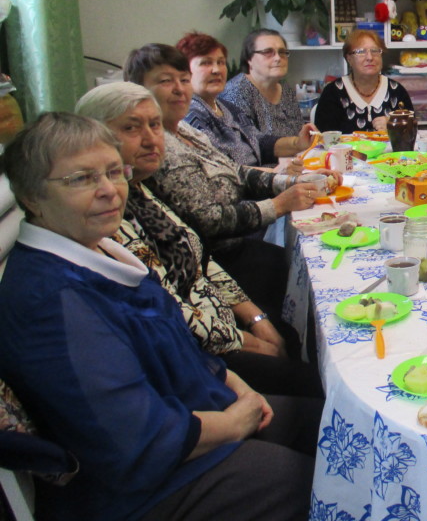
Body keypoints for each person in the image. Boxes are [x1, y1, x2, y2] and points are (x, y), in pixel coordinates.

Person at [0, 113, 318, 521]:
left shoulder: (100, 249)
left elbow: (178, 344)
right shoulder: (52, 300)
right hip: (151, 484)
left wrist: (236, 386)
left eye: (113, 172)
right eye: (81, 179)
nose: (109, 191)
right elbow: (137, 437)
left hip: (199, 412)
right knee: (331, 480)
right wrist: (235, 423)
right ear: (30, 197)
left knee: (329, 425)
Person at [76, 82, 322, 397]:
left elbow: (201, 261)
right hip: (199, 355)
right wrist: (247, 339)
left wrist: (255, 317)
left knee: (296, 332)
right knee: (313, 380)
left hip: (218, 317)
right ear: (95, 138)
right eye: (131, 128)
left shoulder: (140, 188)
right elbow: (167, 306)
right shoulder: (109, 215)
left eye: (154, 125)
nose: (151, 139)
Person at [123, 43, 325, 315]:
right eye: (165, 81)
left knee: (303, 265)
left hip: (239, 240)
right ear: (139, 90)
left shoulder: (184, 129)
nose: (179, 89)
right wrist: (279, 204)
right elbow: (209, 220)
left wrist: (291, 183)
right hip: (218, 259)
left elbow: (236, 171)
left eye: (183, 79)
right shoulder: (158, 147)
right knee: (307, 271)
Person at [177, 31, 314, 167]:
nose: (216, 70)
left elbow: (258, 143)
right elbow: (220, 169)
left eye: (221, 62)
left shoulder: (226, 108)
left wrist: (298, 143)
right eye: (205, 63)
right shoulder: (190, 115)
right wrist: (274, 175)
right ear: (184, 71)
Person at [313, 29, 412, 133]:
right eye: (361, 52)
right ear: (349, 59)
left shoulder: (396, 91)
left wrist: (394, 125)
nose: (369, 57)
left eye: (375, 51)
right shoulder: (333, 93)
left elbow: (411, 132)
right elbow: (322, 138)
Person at [220, 29, 306, 146]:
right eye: (268, 52)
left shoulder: (285, 91)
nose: (278, 58)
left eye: (282, 52)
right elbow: (246, 147)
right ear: (249, 59)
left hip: (296, 155)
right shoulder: (236, 92)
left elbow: (299, 132)